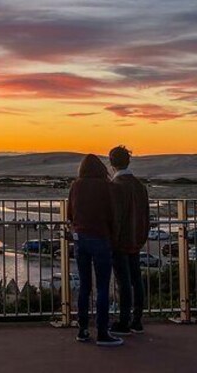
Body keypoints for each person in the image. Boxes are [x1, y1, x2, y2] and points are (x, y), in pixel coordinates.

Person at [67, 154, 122, 347]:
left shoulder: (76, 186)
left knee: (84, 286)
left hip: (80, 240)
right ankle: (102, 332)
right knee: (103, 287)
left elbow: (69, 214)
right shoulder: (107, 187)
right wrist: (113, 239)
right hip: (101, 238)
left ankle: (82, 329)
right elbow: (113, 215)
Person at [108, 145, 150, 335]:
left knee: (123, 282)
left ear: (111, 164)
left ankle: (124, 322)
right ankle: (137, 320)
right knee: (136, 279)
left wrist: (112, 239)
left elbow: (114, 217)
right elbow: (146, 216)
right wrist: (142, 236)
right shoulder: (140, 186)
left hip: (120, 242)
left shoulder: (116, 187)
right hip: (136, 240)